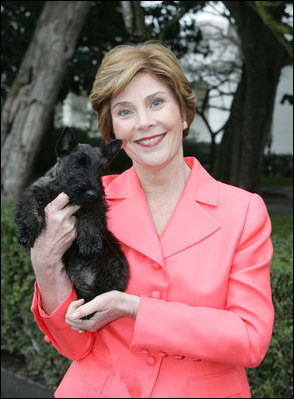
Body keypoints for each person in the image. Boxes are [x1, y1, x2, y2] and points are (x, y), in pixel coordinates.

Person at [31, 41, 274, 398]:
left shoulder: (243, 211)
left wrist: (135, 308)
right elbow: (73, 345)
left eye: (156, 102)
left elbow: (250, 339)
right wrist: (45, 262)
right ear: (112, 129)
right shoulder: (86, 203)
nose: (144, 123)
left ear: (184, 111)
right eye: (125, 112)